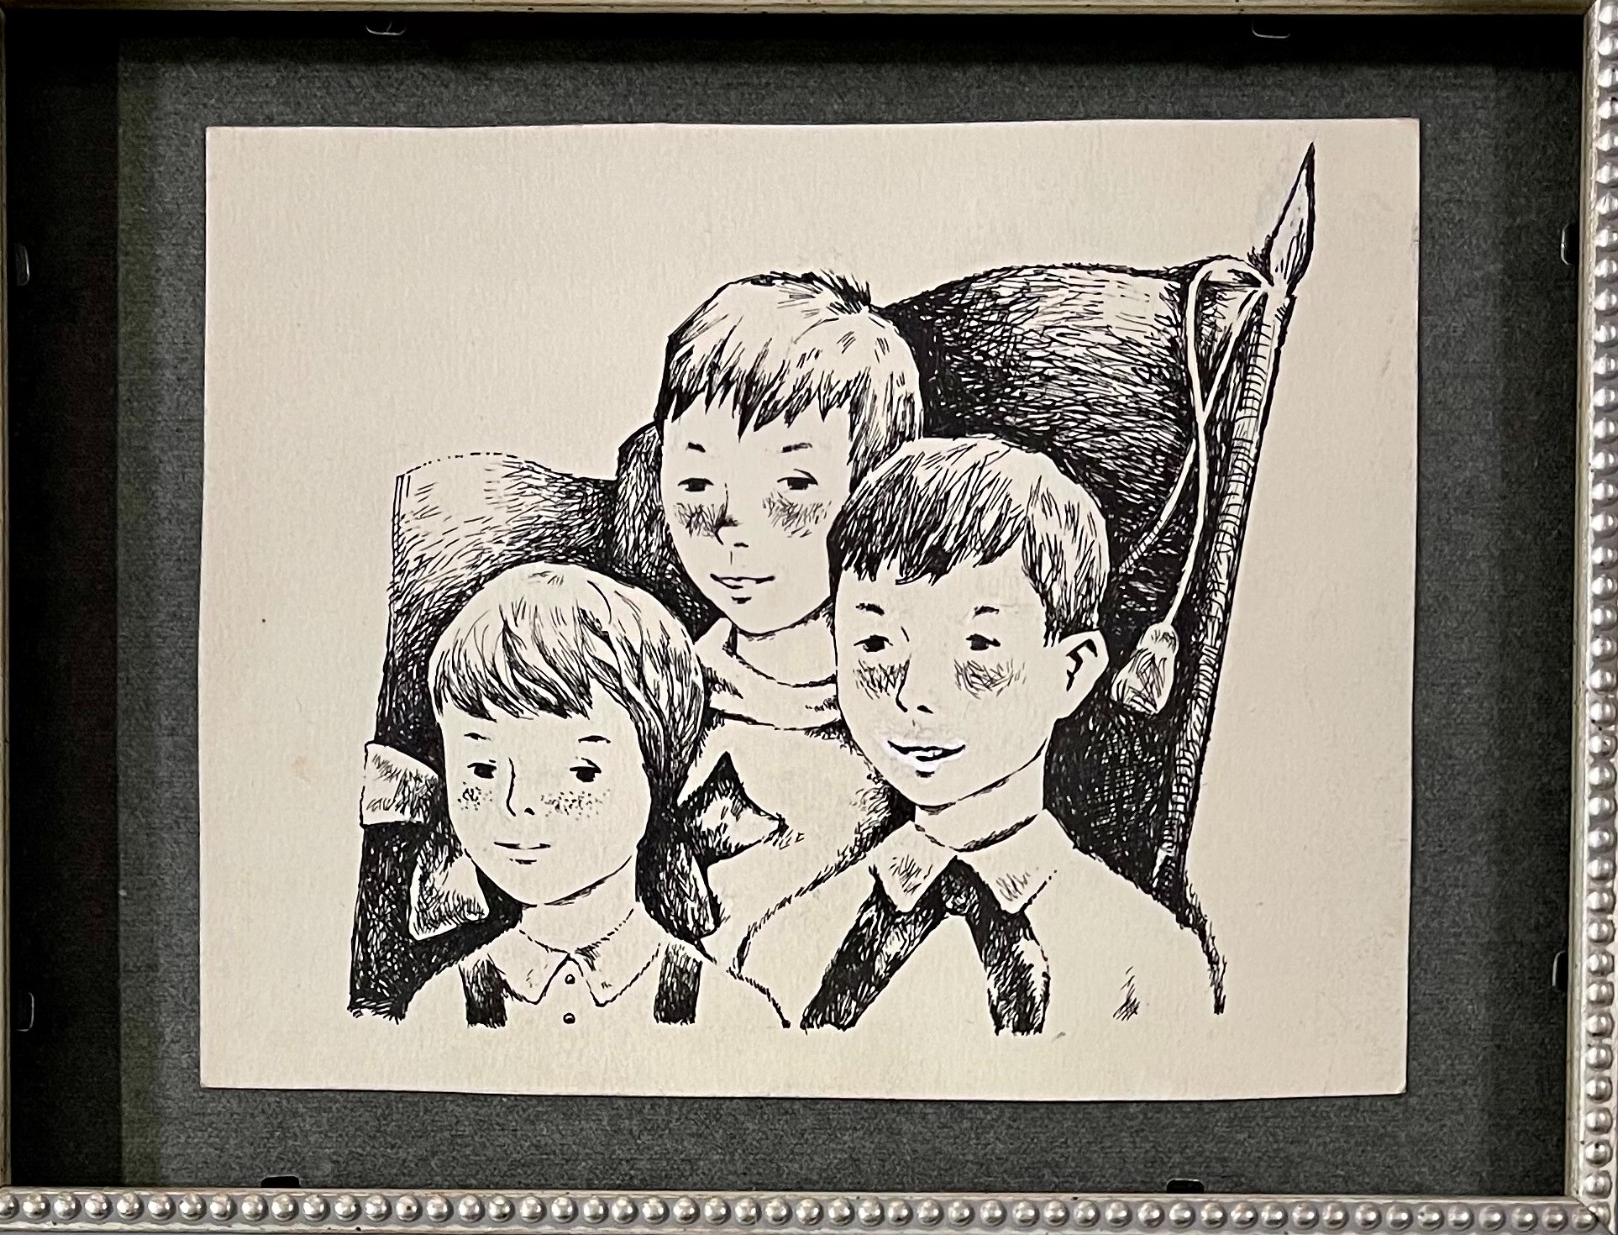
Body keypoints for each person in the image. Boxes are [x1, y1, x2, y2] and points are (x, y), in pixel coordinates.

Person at [736, 436, 1209, 1039]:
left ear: (1070, 672)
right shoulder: (785, 949)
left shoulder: (1148, 966)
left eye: (979, 646)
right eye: (875, 644)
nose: (915, 695)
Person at [651, 272, 923, 956]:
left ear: (876, 493)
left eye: (793, 485)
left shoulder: (910, 714)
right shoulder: (658, 687)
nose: (730, 524)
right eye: (696, 482)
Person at [403, 563, 783, 1036]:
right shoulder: (441, 1011)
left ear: (656, 774)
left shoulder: (729, 1014)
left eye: (580, 772)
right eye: (483, 769)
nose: (517, 803)